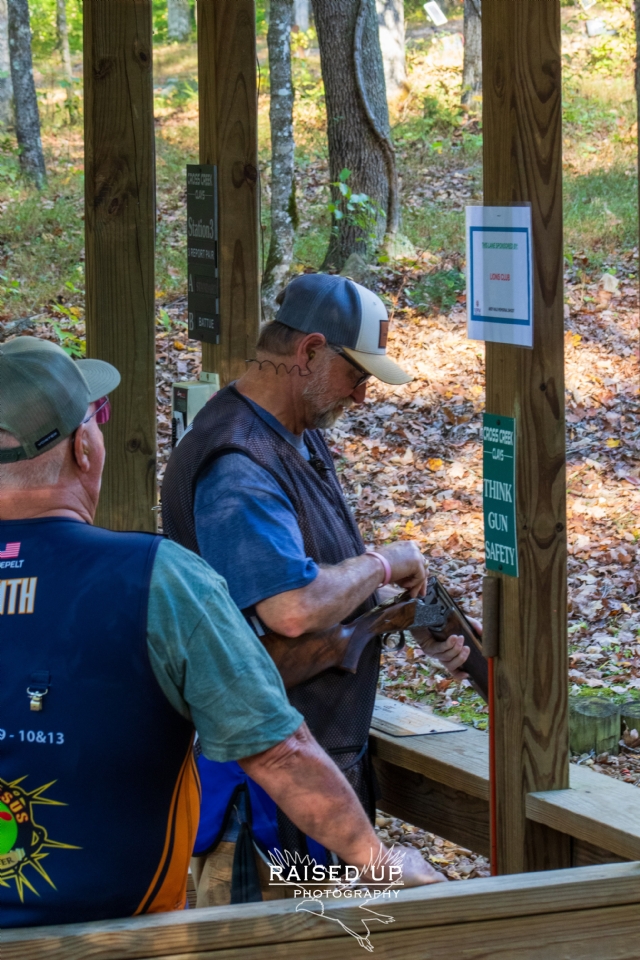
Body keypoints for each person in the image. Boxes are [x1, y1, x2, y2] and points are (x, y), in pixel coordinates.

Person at [0, 336, 443, 930]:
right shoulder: (156, 579)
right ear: (84, 448)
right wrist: (379, 862)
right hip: (117, 936)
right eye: (96, 419)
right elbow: (279, 752)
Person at [162, 273, 470, 905]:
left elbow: (316, 578)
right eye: (355, 374)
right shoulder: (239, 464)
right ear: (308, 352)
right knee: (270, 945)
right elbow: (294, 608)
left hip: (307, 790)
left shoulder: (291, 433)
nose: (360, 394)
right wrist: (383, 564)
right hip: (262, 807)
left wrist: (406, 615)